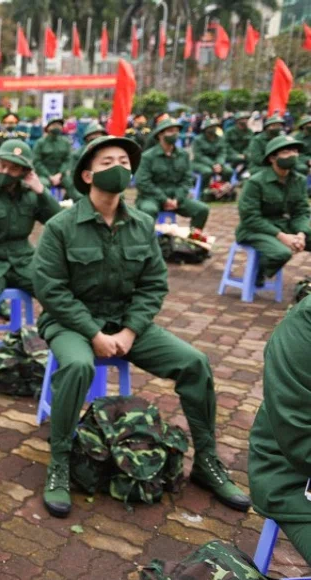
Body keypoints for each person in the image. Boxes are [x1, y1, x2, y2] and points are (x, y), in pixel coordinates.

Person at [32, 135, 251, 518]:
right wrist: (94, 333)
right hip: (71, 322)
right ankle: (61, 462)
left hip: (126, 322)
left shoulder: (141, 224)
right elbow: (51, 289)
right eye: (106, 162)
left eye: (123, 160)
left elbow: (153, 285)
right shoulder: (61, 226)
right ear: (86, 175)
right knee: (79, 365)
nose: (117, 167)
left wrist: (130, 331)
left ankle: (207, 460)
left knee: (194, 363)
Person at [0, 140, 61, 376]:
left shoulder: (31, 195)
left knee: (57, 291)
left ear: (25, 172)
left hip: (24, 259)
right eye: (1, 165)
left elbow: (58, 224)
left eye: (12, 168)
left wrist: (41, 191)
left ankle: (54, 343)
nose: (5, 172)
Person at [248, 295, 311, 564]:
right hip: (291, 475)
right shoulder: (304, 327)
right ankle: (206, 465)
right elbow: (300, 437)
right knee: (195, 364)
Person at [235, 135, 310, 284]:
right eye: (286, 152)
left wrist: (301, 234)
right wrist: (283, 237)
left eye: (295, 151)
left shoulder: (299, 180)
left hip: (282, 225)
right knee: (281, 253)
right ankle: (258, 272)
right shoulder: (256, 182)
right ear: (272, 158)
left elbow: (301, 211)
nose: (293, 155)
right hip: (254, 230)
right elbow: (250, 218)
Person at [134, 118, 210, 232]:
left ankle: (193, 241)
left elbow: (187, 179)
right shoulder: (147, 157)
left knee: (202, 210)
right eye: (170, 131)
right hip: (151, 197)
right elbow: (143, 183)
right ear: (160, 135)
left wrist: (177, 199)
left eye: (176, 131)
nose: (175, 134)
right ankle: (147, 244)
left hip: (176, 198)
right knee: (148, 211)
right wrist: (164, 199)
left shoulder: (183, 155)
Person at [33, 117, 75, 199]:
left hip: (61, 175)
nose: (57, 127)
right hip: (44, 175)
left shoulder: (65, 142)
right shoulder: (40, 143)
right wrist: (49, 176)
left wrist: (60, 174)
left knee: (72, 184)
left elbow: (68, 160)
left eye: (59, 125)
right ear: (48, 128)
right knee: (42, 186)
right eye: (54, 125)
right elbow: (37, 162)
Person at [191, 118, 233, 183]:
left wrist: (219, 163)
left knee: (228, 171)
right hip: (200, 163)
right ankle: (204, 190)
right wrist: (213, 164)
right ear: (205, 129)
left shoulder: (220, 138)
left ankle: (223, 188)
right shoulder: (198, 140)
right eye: (211, 127)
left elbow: (222, 153)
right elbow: (199, 156)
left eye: (215, 126)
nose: (214, 128)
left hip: (216, 162)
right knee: (207, 171)